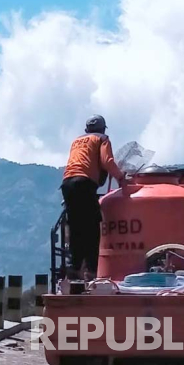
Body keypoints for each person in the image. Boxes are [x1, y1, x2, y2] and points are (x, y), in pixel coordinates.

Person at [61, 115, 126, 279]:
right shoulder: (102, 139)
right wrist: (121, 177)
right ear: (103, 129)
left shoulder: (76, 141)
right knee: (91, 227)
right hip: (84, 183)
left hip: (67, 183)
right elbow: (107, 161)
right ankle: (91, 270)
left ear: (86, 130)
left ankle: (74, 268)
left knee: (76, 227)